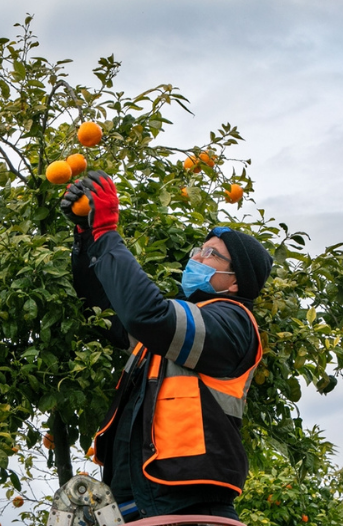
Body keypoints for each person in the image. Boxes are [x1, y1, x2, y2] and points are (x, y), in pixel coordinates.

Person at [61, 171, 274, 523]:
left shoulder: (233, 324)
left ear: (236, 281)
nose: (198, 257)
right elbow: (99, 309)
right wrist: (86, 236)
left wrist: (107, 232)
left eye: (211, 254)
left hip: (190, 510)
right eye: (200, 249)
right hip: (141, 505)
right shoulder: (165, 337)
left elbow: (148, 315)